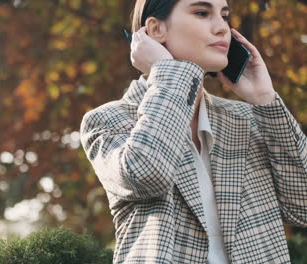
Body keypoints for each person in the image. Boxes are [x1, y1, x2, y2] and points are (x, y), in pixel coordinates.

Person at [79, 0, 307, 263]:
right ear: (155, 30)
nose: (222, 28)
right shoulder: (108, 120)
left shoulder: (246, 119)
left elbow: (302, 208)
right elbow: (147, 173)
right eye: (202, 13)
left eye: (224, 15)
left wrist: (266, 100)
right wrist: (168, 74)